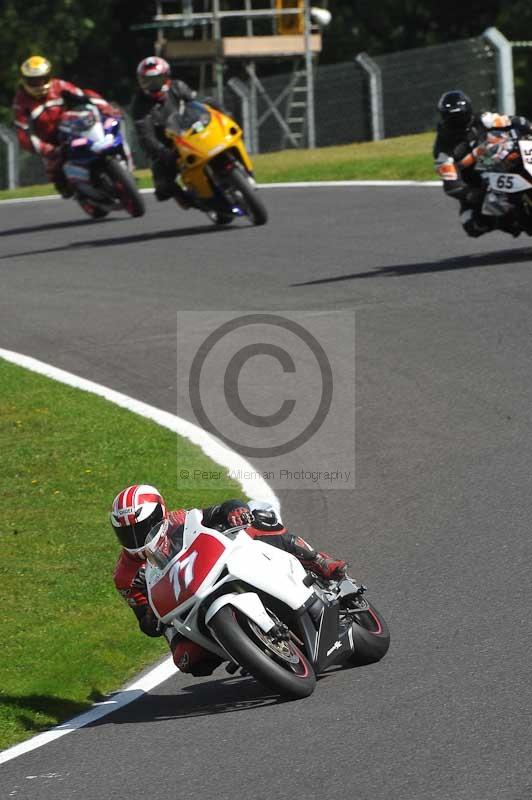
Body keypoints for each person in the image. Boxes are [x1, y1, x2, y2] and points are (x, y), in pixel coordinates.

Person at [110, 484, 347, 676]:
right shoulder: (124, 577)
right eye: (126, 533)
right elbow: (145, 621)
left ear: (159, 514)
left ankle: (318, 561)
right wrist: (151, 618)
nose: (135, 538)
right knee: (187, 660)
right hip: (182, 608)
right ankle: (245, 650)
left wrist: (234, 509)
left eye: (140, 528)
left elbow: (214, 513)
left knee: (257, 519)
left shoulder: (178, 520)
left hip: (211, 571)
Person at [12, 55, 125, 198]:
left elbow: (85, 95)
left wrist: (106, 108)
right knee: (58, 178)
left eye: (41, 79)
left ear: (48, 76)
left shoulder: (59, 85)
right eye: (32, 80)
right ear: (24, 79)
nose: (38, 83)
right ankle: (77, 189)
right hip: (50, 142)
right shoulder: (20, 102)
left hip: (71, 128)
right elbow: (22, 134)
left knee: (108, 130)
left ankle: (123, 167)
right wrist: (46, 148)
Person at [433, 89, 532, 238]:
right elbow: (451, 183)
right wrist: (470, 194)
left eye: (461, 115)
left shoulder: (484, 119)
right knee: (472, 225)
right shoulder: (443, 148)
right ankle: (511, 221)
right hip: (476, 183)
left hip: (502, 160)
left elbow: (517, 121)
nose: (458, 121)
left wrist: (527, 129)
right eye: (453, 118)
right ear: (444, 117)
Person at [131, 56, 196, 208]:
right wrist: (163, 151)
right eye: (147, 81)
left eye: (157, 80)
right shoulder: (139, 104)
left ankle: (244, 172)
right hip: (166, 145)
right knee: (162, 189)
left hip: (192, 131)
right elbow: (144, 134)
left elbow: (197, 104)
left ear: (167, 77)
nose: (153, 85)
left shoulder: (178, 87)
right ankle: (187, 199)